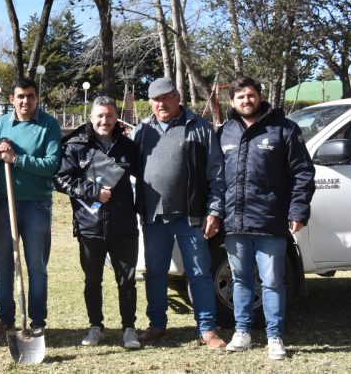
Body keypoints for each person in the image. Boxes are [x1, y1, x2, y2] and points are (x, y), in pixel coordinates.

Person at [218, 76, 315, 360]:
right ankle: (243, 332)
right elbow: (214, 177)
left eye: (250, 95)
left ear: (259, 96)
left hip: (271, 221)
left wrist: (298, 210)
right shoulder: (224, 132)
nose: (246, 101)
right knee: (240, 280)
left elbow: (303, 173)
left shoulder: (284, 129)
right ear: (232, 102)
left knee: (272, 281)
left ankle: (275, 336)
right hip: (234, 222)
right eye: (240, 97)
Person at [132, 77, 226, 348]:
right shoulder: (142, 130)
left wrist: (214, 210)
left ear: (177, 97)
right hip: (154, 217)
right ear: (150, 103)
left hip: (191, 216)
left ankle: (207, 329)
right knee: (155, 273)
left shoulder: (198, 127)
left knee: (199, 272)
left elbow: (216, 173)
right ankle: (157, 325)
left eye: (166, 97)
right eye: (156, 99)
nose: (162, 103)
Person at [53, 96, 140, 349]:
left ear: (116, 118)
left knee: (127, 280)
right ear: (91, 117)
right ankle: (95, 326)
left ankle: (129, 328)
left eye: (110, 116)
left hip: (124, 226)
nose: (105, 121)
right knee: (92, 279)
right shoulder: (76, 146)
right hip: (89, 227)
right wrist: (92, 191)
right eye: (100, 116)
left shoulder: (128, 147)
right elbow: (59, 179)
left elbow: (144, 179)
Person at [0, 77, 62, 336]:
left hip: (37, 205)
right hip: (5, 203)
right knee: (3, 264)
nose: (25, 101)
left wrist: (17, 159)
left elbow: (51, 165)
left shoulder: (48, 125)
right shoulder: (3, 124)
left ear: (37, 97)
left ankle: (37, 322)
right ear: (12, 99)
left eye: (30, 96)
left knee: (36, 265)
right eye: (20, 96)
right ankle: (6, 319)